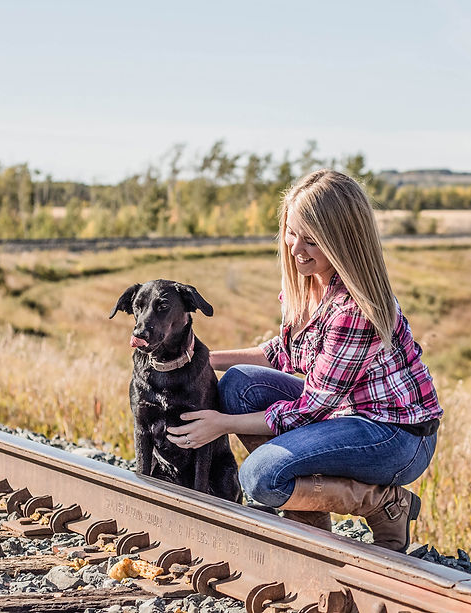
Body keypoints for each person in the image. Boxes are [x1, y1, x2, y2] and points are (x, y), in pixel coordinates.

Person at [166, 168, 442, 552]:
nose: (295, 248)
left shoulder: (356, 308)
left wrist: (221, 424)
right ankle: (309, 521)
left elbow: (309, 410)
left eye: (311, 240)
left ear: (342, 241)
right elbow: (280, 354)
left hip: (395, 436)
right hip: (343, 412)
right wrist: (196, 357)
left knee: (260, 476)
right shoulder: (307, 280)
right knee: (238, 384)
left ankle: (384, 502)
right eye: (291, 232)